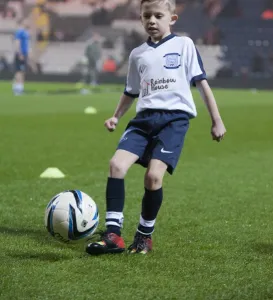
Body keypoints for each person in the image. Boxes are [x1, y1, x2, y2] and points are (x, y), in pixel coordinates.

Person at [86, 0, 226, 255]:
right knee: (116, 165)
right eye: (146, 16)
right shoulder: (138, 54)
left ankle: (143, 236)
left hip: (173, 121)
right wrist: (116, 116)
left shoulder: (184, 45)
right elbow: (130, 91)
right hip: (143, 120)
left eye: (158, 15)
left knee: (153, 177)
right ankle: (113, 235)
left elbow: (202, 84)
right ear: (140, 19)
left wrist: (216, 120)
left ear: (172, 18)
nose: (151, 20)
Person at [13, 19, 30, 95]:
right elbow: (17, 43)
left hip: (24, 54)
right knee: (19, 71)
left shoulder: (26, 32)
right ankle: (18, 89)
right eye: (26, 21)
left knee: (22, 71)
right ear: (22, 22)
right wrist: (19, 53)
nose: (28, 22)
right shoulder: (20, 32)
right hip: (21, 54)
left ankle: (19, 88)